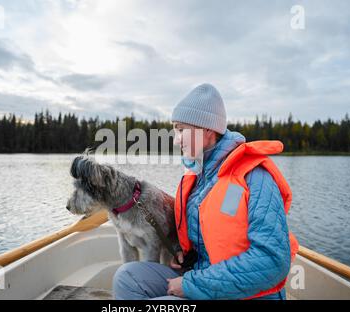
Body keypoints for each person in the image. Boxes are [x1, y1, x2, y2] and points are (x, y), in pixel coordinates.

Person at [112, 83, 298, 300]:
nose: (176, 139)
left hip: (244, 294)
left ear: (207, 129)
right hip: (203, 277)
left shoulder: (255, 177)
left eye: (181, 130)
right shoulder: (197, 176)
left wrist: (192, 285)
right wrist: (187, 256)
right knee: (127, 277)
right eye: (175, 130)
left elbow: (272, 261)